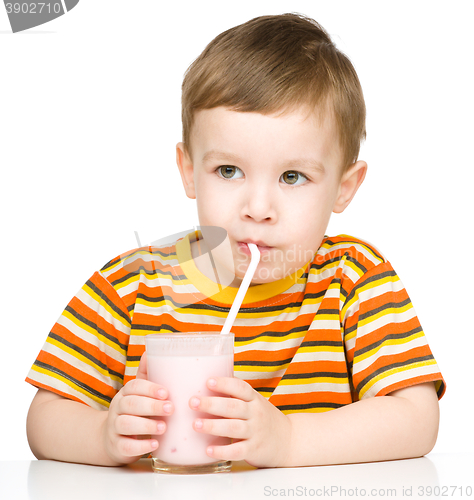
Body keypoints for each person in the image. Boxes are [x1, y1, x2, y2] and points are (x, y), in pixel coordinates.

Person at [26, 13, 445, 468]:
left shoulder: (353, 280)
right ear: (189, 171)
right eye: (229, 171)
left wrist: (288, 440)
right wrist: (102, 435)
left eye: (292, 176)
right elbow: (44, 420)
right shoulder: (132, 286)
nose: (258, 207)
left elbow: (417, 418)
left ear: (345, 187)